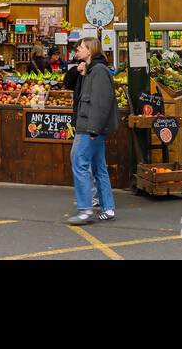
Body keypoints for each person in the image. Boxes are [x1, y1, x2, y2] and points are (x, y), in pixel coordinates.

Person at [64, 36, 118, 226]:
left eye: (80, 48)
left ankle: (85, 209)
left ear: (90, 50)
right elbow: (69, 84)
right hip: (91, 127)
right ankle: (108, 208)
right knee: (98, 167)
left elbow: (101, 103)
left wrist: (93, 129)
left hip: (89, 128)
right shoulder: (91, 70)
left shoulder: (99, 72)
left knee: (78, 161)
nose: (77, 51)